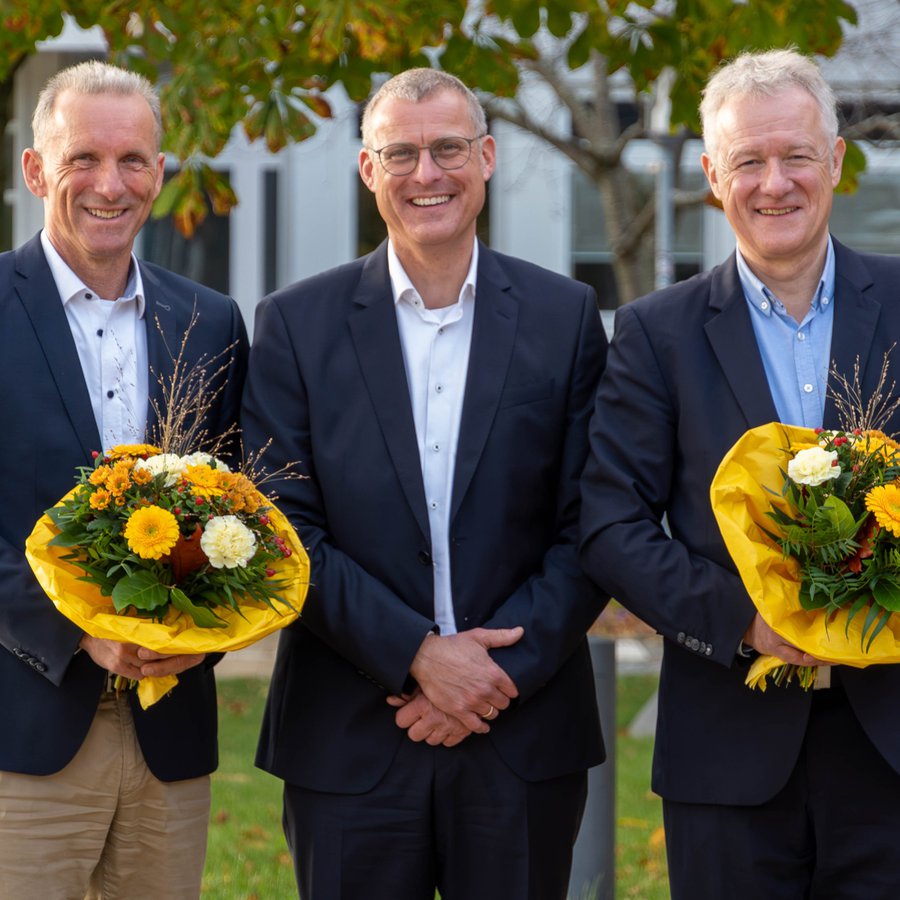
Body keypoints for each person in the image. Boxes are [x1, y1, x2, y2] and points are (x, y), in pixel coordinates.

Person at [241, 68, 608, 900]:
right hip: (348, 734)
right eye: (399, 153)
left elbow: (593, 520)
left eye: (447, 149)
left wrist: (488, 676)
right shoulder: (296, 325)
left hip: (521, 729)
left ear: (485, 157)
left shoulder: (565, 317)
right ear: (368, 171)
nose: (426, 174)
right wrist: (416, 655)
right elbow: (280, 524)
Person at [580, 47, 900, 899]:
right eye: (749, 161)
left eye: (796, 156)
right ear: (715, 177)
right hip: (727, 746)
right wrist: (746, 622)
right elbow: (610, 525)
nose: (775, 183)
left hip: (891, 742)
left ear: (835, 161)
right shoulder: (657, 333)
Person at [0, 61, 247, 898]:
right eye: (83, 159)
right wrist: (78, 630)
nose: (111, 184)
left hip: (169, 740)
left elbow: (237, 515)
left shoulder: (210, 322)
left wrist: (201, 626)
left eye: (134, 160)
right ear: (36, 170)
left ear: (161, 175)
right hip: (22, 731)